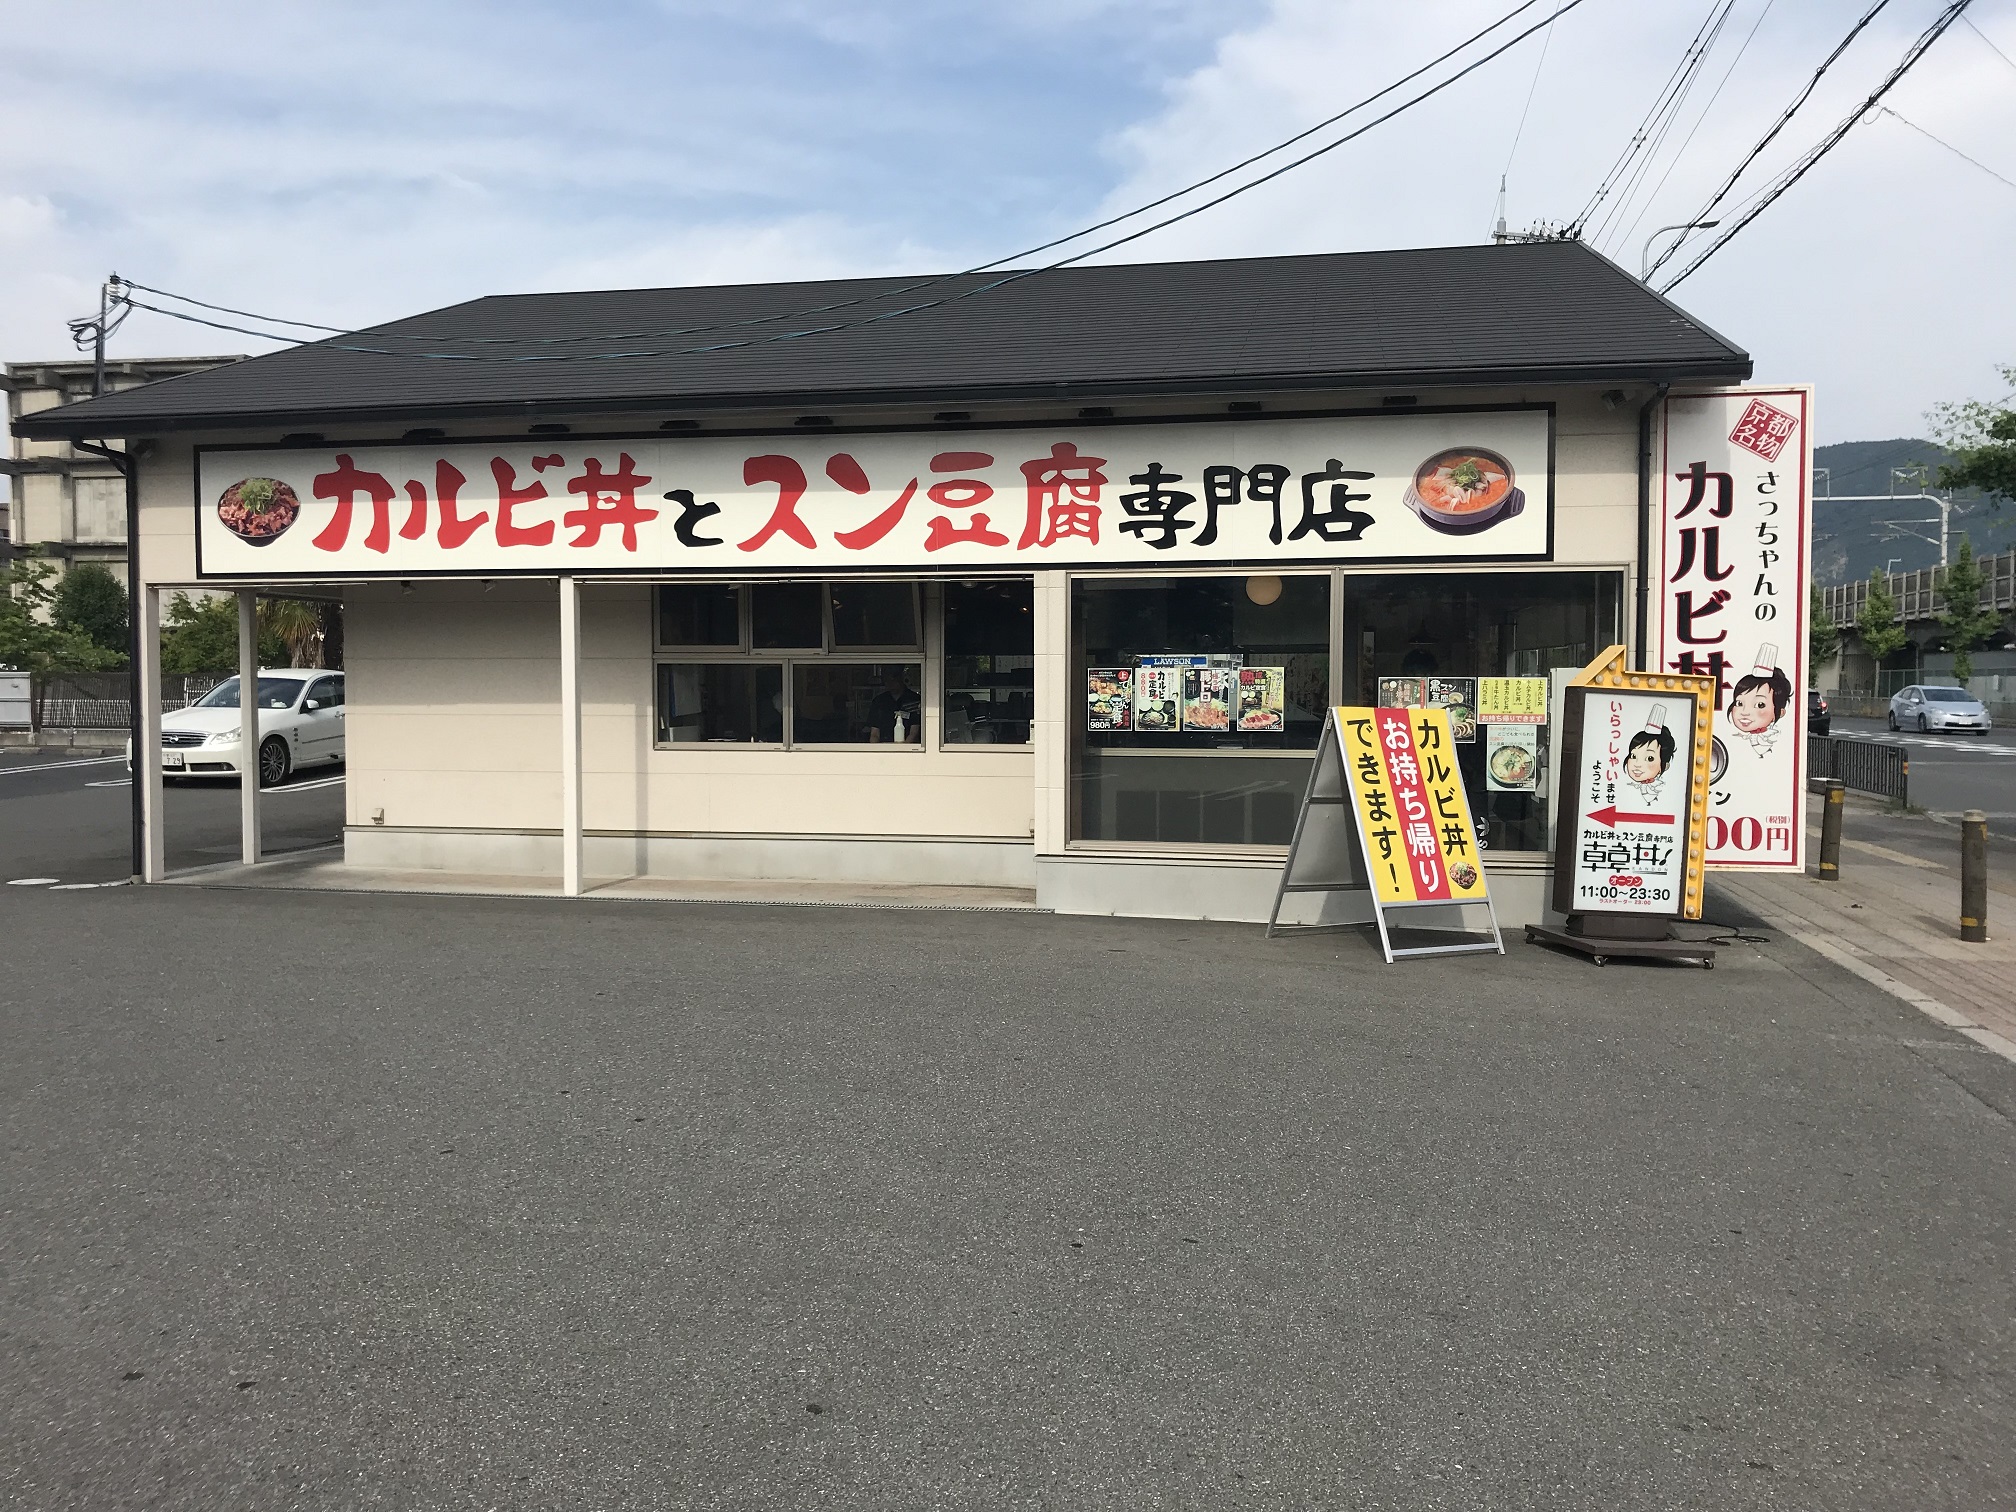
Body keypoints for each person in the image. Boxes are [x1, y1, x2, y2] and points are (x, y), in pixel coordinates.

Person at [1727, 644, 1792, 755]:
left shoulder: (1773, 738)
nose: (1745, 712)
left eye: (1760, 705)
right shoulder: (1732, 739)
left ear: (1780, 712)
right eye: (1739, 703)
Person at [1624, 705, 1675, 802]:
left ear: (1666, 765)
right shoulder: (1625, 788)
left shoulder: (1662, 789)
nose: (1637, 764)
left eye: (1649, 758)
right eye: (1633, 756)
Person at [867, 668, 921, 743]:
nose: (890, 683)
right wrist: (875, 750)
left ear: (901, 678)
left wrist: (903, 751)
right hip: (883, 748)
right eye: (886, 680)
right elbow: (874, 733)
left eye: (893, 679)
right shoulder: (879, 701)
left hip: (908, 748)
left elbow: (914, 733)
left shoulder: (913, 699)